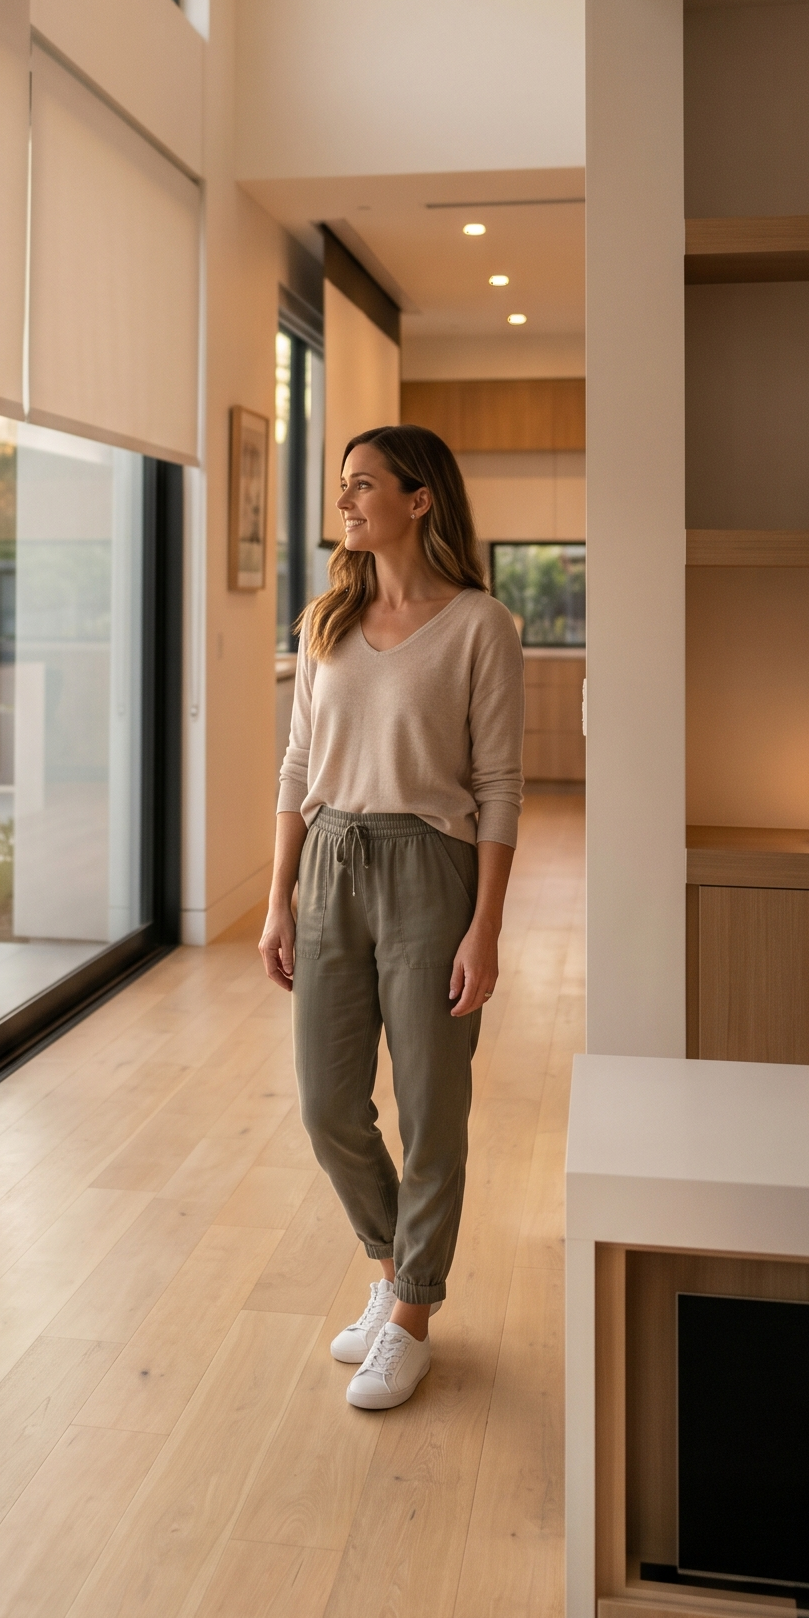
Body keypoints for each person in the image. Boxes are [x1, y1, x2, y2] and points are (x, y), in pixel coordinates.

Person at [260, 424, 524, 1411]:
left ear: (419, 499)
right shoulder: (325, 620)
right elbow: (297, 765)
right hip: (330, 859)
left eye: (363, 485)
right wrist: (280, 894)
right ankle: (390, 1266)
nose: (345, 503)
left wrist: (484, 925)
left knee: (430, 1106)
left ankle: (411, 1316)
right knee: (329, 1105)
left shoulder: (478, 626)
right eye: (343, 487)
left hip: (431, 867)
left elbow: (499, 786)